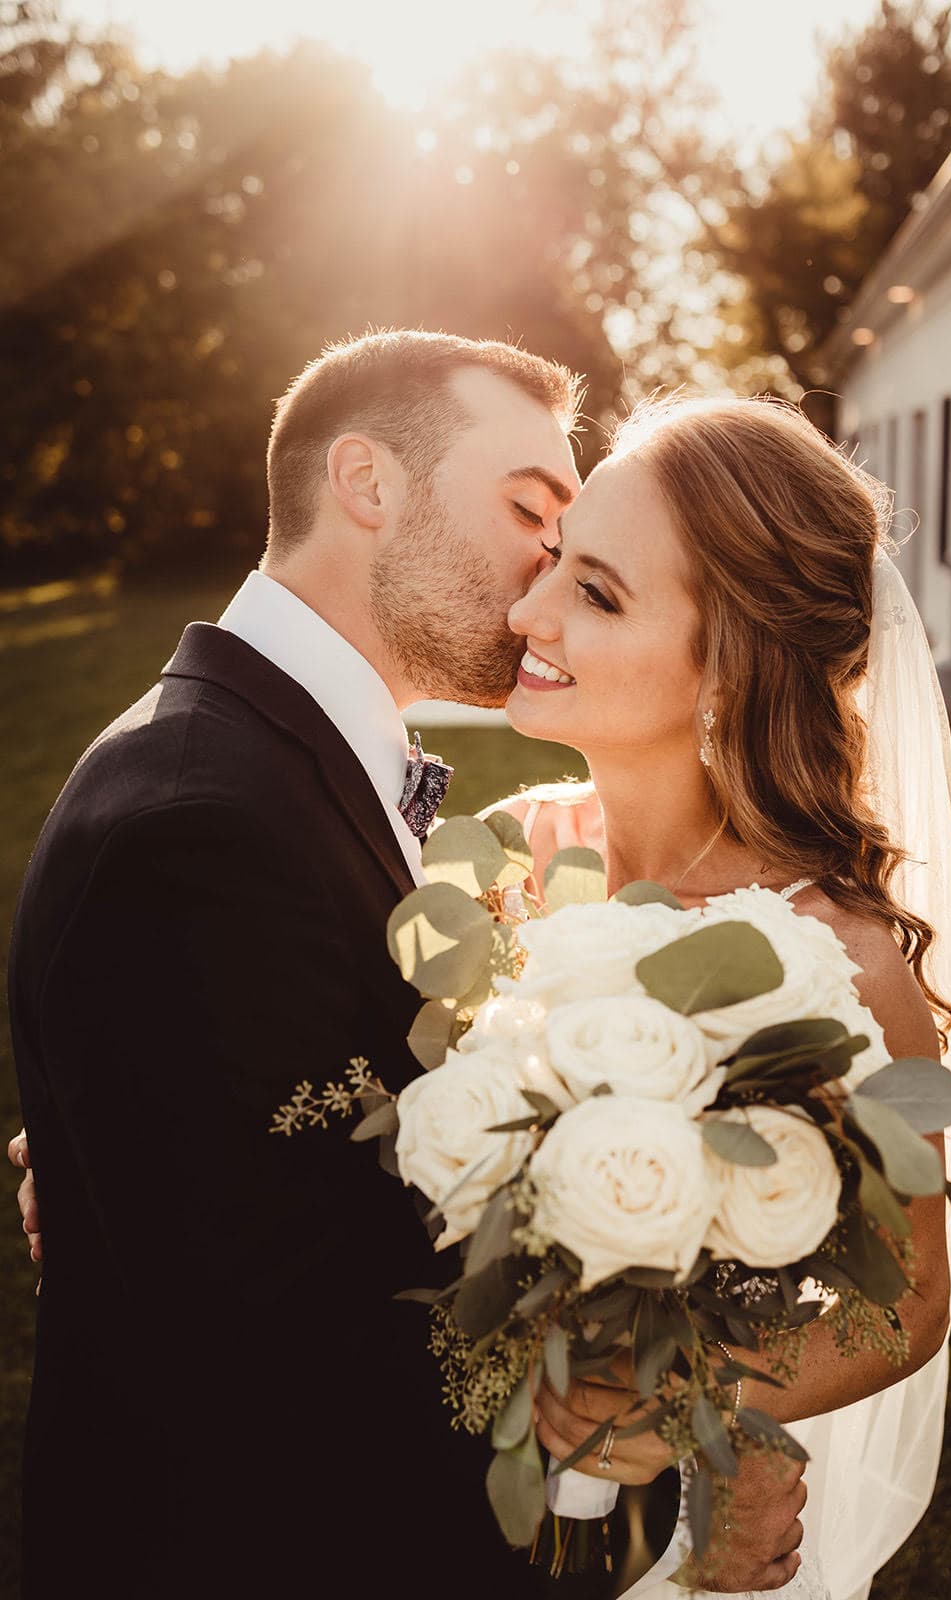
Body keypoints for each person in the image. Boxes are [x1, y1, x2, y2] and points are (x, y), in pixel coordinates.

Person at [5, 332, 807, 1599]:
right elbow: (286, 1356)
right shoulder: (196, 827)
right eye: (528, 511)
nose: (548, 567)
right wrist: (644, 1462)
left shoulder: (267, 767)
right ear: (366, 485)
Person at [487, 393, 951, 1600]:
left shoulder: (835, 958)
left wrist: (691, 1400)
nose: (525, 612)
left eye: (596, 593)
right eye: (554, 561)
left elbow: (911, 1299)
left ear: (728, 669)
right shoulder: (500, 863)